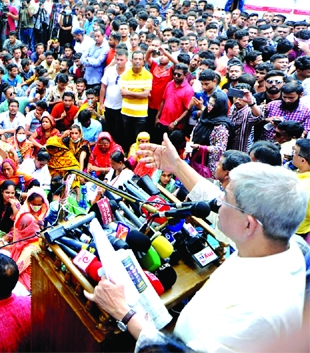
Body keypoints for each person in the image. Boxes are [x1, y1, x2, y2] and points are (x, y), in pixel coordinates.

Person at [87, 135, 306, 352]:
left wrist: (125, 313)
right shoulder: (273, 241)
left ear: (248, 225)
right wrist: (177, 165)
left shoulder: (260, 314)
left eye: (224, 200)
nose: (215, 204)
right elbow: (213, 201)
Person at [191, 91, 233, 178]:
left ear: (219, 107)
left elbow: (220, 149)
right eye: (209, 103)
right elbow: (195, 131)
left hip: (209, 166)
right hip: (196, 158)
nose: (209, 107)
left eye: (213, 105)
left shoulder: (221, 126)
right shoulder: (204, 117)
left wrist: (201, 147)